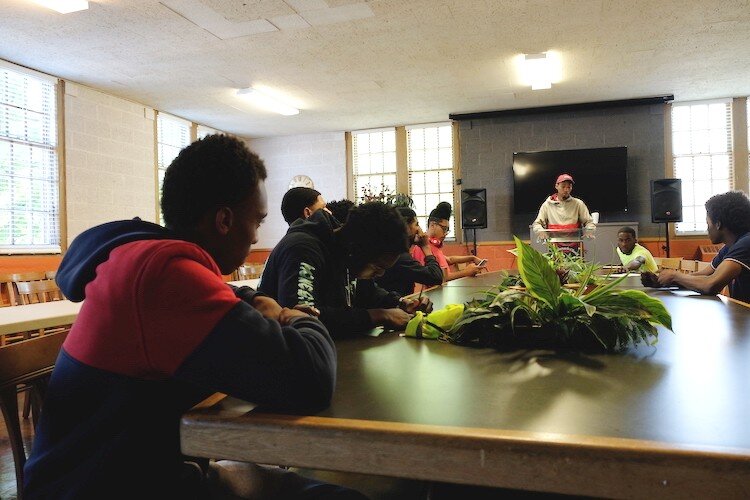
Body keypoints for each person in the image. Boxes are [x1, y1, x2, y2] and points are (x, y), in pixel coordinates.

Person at [24, 135, 364, 499]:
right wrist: (296, 315)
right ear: (224, 220)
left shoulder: (143, 259)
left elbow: (229, 300)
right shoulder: (165, 277)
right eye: (257, 221)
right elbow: (310, 379)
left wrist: (254, 297)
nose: (255, 236)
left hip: (136, 472)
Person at [259, 201, 431, 338]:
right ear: (357, 249)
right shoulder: (303, 248)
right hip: (283, 354)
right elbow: (302, 317)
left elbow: (367, 291)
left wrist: (400, 303)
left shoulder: (345, 252)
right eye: (377, 268)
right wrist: (380, 315)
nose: (380, 274)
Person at [644, 191, 750, 303]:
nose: (707, 229)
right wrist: (666, 281)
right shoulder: (730, 247)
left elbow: (711, 284)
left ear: (718, 224)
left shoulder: (746, 243)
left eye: (707, 223)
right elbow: (704, 275)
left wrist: (675, 276)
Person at [375, 207, 444, 296]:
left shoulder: (393, 252)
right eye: (416, 224)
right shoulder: (401, 257)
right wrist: (426, 247)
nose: (419, 229)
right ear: (406, 227)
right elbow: (436, 278)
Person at [411, 201, 485, 282]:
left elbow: (449, 260)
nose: (445, 233)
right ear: (432, 225)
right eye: (444, 229)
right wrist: (467, 272)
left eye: (447, 230)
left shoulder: (432, 245)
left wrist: (472, 257)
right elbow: (444, 277)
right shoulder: (425, 247)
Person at [532, 173, 596, 251]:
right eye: (563, 186)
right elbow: (537, 224)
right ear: (556, 186)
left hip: (575, 246)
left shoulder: (578, 204)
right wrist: (541, 232)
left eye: (569, 187)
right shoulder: (547, 205)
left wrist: (589, 231)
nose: (566, 190)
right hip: (554, 247)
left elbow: (589, 222)